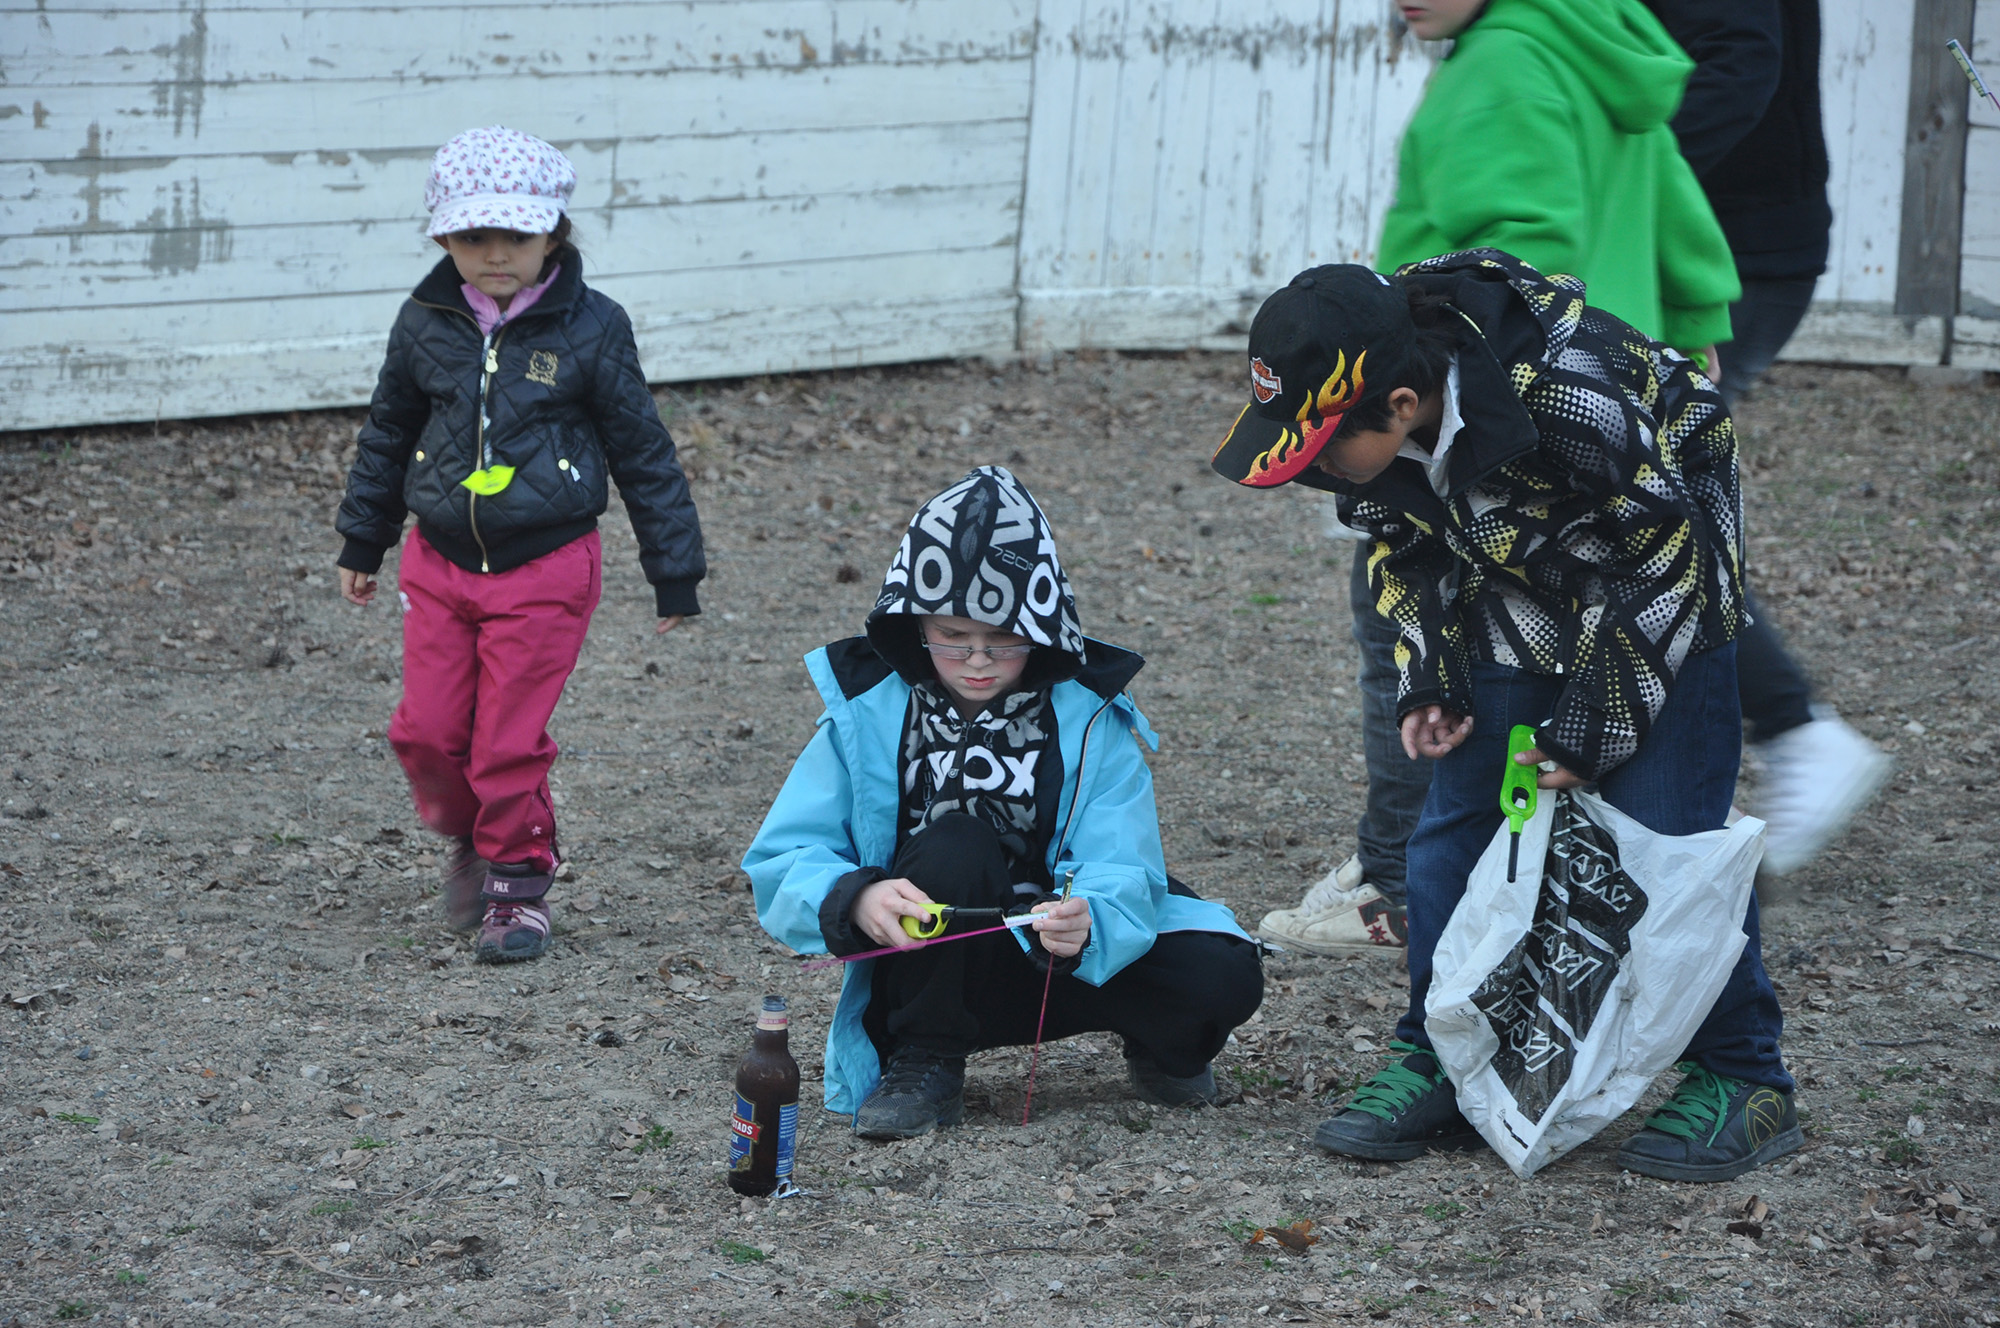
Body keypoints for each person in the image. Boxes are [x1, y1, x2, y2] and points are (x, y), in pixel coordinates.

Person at [1215, 253, 1799, 1181]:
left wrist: (1590, 727)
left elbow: (1663, 556)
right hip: (1516, 578)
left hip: (1666, 584)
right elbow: (1401, 552)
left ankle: (1745, 1076)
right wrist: (1432, 673)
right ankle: (1444, 1054)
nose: (1310, 468)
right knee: (1455, 821)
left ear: (1402, 404)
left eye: (1320, 444)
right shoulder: (1370, 438)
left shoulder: (1568, 397)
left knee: (1667, 840)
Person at [743, 466, 1263, 1139]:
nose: (978, 661)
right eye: (954, 637)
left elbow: (1125, 861)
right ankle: (925, 1058)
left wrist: (1088, 922)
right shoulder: (864, 713)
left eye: (1004, 642)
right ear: (914, 625)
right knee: (957, 840)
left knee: (1223, 968)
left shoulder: (1091, 717)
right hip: (925, 962)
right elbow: (783, 857)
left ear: (1043, 630)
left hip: (1047, 956)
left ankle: (1163, 1047)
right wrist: (859, 900)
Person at [335, 126, 706, 963]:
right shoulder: (424, 322)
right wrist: (365, 539)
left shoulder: (594, 327)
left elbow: (642, 449)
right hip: (438, 561)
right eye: (473, 237)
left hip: (546, 566)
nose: (495, 254)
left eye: (516, 236)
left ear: (554, 234)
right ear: (443, 237)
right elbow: (388, 432)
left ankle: (517, 883)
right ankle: (470, 836)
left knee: (507, 739)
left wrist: (673, 570)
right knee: (427, 731)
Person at [1643, 0, 1892, 876]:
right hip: (1689, 241)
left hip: (1728, 253)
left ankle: (1795, 729)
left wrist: (1623, 165)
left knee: (1641, 512)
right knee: (1637, 505)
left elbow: (1741, 66)